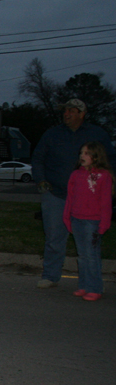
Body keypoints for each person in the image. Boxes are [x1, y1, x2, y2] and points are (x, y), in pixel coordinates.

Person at [32, 99, 116, 289]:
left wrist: (109, 184)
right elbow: (38, 158)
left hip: (88, 199)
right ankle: (50, 275)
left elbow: (111, 160)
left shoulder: (97, 134)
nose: (66, 114)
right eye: (65, 111)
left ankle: (90, 283)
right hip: (56, 194)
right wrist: (41, 180)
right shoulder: (52, 134)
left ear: (82, 113)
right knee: (54, 238)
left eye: (71, 111)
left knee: (89, 244)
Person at [63, 142, 113, 301]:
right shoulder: (76, 175)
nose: (82, 156)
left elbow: (105, 201)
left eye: (86, 153)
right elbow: (70, 198)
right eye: (81, 152)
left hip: (93, 221)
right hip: (77, 218)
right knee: (82, 255)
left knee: (92, 255)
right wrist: (67, 217)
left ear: (95, 156)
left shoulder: (103, 175)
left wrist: (104, 222)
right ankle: (84, 285)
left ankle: (95, 287)